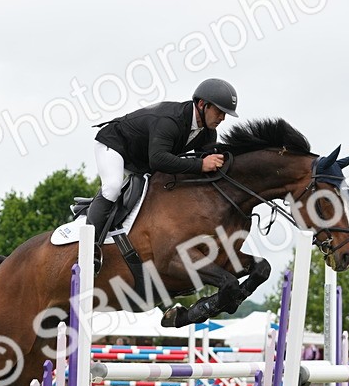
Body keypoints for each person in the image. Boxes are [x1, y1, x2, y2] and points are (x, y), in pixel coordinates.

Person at [85, 77, 239, 270]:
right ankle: (88, 248)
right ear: (202, 104)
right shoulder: (170, 121)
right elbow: (158, 160)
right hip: (115, 145)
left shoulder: (208, 133)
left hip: (142, 159)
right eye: (220, 111)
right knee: (112, 186)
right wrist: (200, 165)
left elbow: (207, 165)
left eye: (225, 114)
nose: (222, 118)